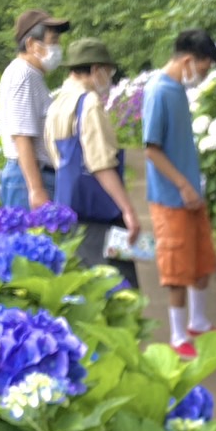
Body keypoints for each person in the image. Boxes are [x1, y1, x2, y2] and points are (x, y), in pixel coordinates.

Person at [143, 28, 216, 359]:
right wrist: (183, 185)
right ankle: (177, 335)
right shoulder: (159, 91)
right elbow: (151, 149)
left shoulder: (177, 90)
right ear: (188, 60)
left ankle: (198, 321)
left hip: (190, 194)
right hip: (170, 197)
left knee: (201, 259)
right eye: (203, 67)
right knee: (176, 267)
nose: (203, 75)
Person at [45, 36, 141, 288]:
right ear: (96, 69)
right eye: (109, 72)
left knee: (86, 285)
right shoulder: (89, 103)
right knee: (120, 287)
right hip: (102, 213)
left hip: (71, 211)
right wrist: (128, 210)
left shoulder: (57, 103)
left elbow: (56, 157)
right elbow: (100, 164)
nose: (109, 79)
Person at [0, 9, 70, 210]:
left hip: (34, 176)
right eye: (53, 40)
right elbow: (21, 135)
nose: (57, 47)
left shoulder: (32, 75)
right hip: (29, 178)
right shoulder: (23, 76)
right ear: (31, 44)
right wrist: (36, 189)